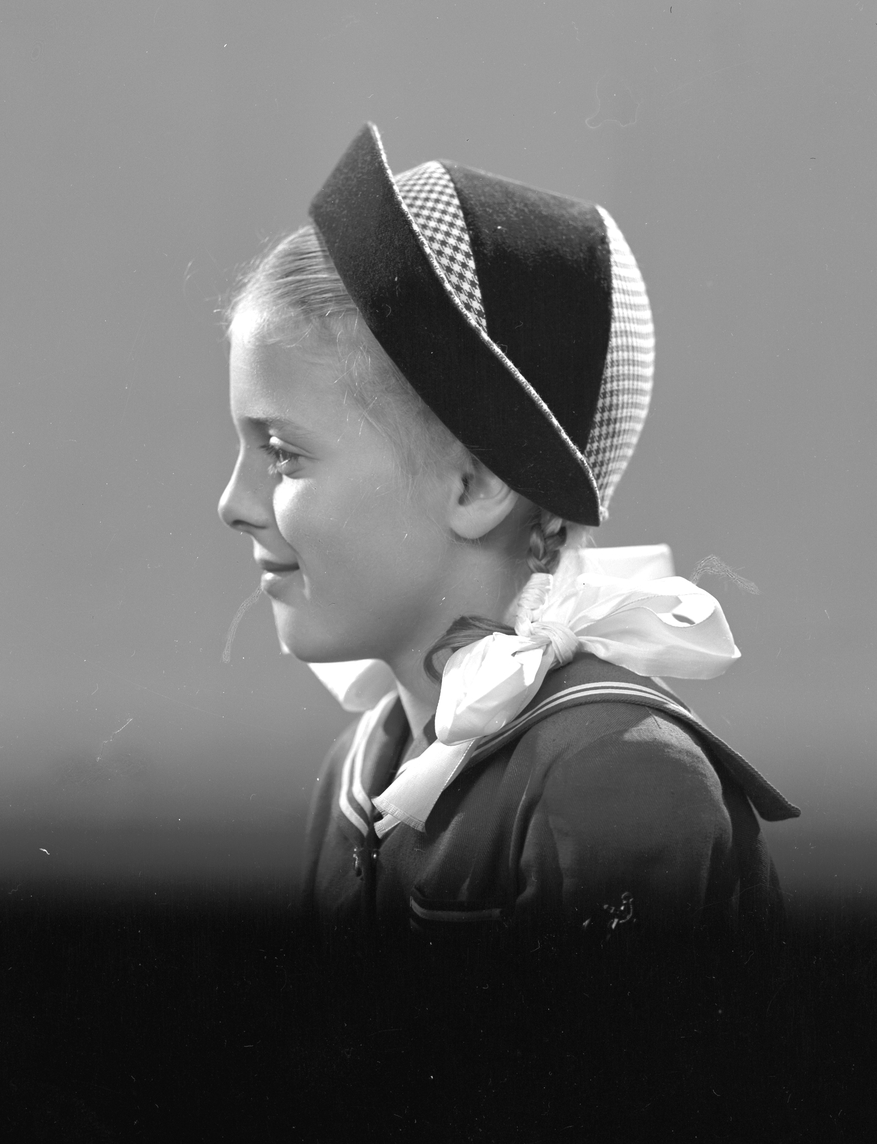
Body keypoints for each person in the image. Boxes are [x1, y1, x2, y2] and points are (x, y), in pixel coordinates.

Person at [218, 123, 798, 945]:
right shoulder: (361, 763)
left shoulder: (614, 772)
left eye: (283, 454)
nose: (232, 503)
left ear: (477, 484)